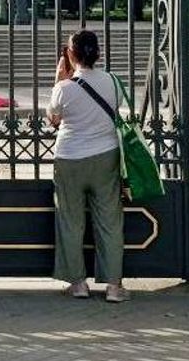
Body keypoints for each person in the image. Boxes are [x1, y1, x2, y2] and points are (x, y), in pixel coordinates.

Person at [47, 30, 129, 303]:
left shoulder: (64, 87)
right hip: (106, 156)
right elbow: (116, 110)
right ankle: (114, 287)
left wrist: (61, 77)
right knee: (109, 221)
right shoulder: (113, 82)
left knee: (70, 221)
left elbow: (54, 119)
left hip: (69, 158)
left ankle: (78, 284)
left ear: (71, 55)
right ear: (98, 53)